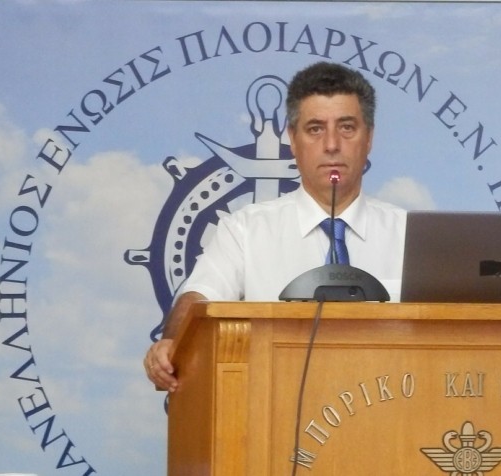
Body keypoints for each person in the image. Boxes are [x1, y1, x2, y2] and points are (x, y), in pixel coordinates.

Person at [144, 61, 406, 392]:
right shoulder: (244, 231)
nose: (331, 144)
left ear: (369, 138)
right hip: (273, 406)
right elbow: (199, 298)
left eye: (347, 127)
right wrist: (172, 343)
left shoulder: (409, 235)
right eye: (315, 129)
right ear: (293, 140)